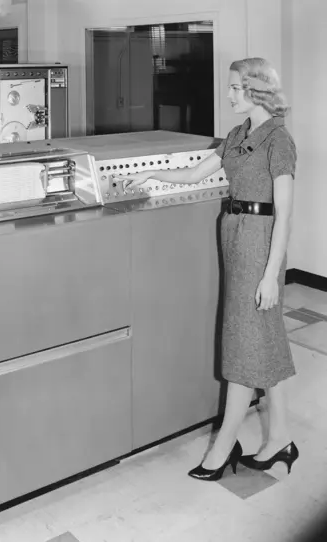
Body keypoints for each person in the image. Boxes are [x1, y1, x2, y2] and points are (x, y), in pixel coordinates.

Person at [115, 57, 299, 481]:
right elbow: (198, 171)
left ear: (256, 89)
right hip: (234, 234)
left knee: (244, 343)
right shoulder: (237, 135)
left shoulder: (279, 140)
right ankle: (280, 440)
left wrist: (272, 275)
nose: (230, 94)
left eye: (236, 87)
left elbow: (285, 215)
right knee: (263, 338)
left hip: (261, 242)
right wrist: (151, 176)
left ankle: (223, 446)